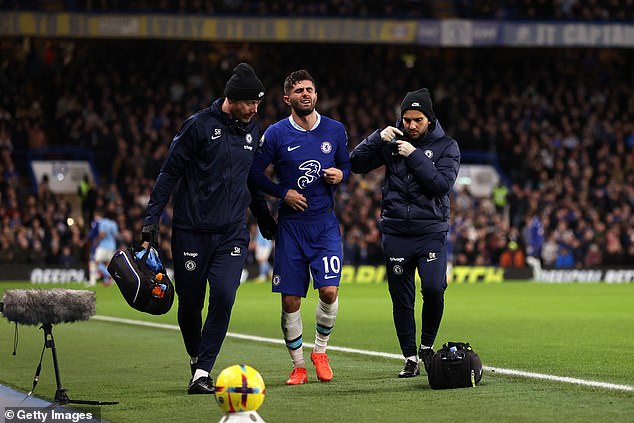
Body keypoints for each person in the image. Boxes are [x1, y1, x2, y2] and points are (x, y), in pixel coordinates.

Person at [140, 63, 276, 395]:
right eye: (251, 103)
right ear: (232, 98)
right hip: (191, 231)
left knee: (225, 296)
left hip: (232, 231)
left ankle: (203, 370)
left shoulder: (252, 129)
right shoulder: (198, 126)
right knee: (189, 306)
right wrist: (151, 220)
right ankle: (195, 356)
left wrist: (264, 219)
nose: (256, 109)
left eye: (259, 103)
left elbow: (249, 180)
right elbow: (168, 173)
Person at [248, 70, 351, 385]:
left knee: (329, 291)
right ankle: (298, 366)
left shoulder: (335, 130)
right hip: (291, 227)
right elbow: (254, 173)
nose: (306, 94)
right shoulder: (277, 134)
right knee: (291, 300)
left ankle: (320, 352)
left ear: (316, 95)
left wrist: (341, 175)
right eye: (299, 90)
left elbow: (345, 163)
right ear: (287, 98)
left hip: (324, 225)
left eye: (310, 89)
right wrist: (283, 193)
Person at [349, 88, 460, 378]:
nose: (410, 125)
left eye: (417, 120)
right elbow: (355, 164)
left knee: (434, 289)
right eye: (406, 119)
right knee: (401, 299)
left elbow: (441, 185)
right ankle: (410, 357)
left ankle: (427, 345)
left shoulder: (448, 146)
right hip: (396, 231)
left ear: (429, 119)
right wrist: (376, 138)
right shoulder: (393, 141)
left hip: (430, 231)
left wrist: (414, 155)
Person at [88, 205, 119, 286]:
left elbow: (102, 234)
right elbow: (116, 236)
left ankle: (108, 276)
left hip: (103, 246)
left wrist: (96, 241)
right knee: (108, 264)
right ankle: (108, 280)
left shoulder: (103, 222)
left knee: (96, 262)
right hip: (112, 246)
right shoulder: (114, 223)